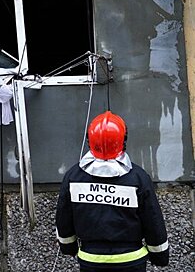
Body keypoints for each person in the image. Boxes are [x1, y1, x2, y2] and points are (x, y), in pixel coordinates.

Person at [55, 111, 169, 271]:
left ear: (90, 140)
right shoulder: (138, 178)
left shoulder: (73, 176)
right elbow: (153, 219)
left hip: (91, 261)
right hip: (131, 261)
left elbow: (63, 218)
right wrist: (160, 256)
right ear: (123, 140)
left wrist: (68, 248)